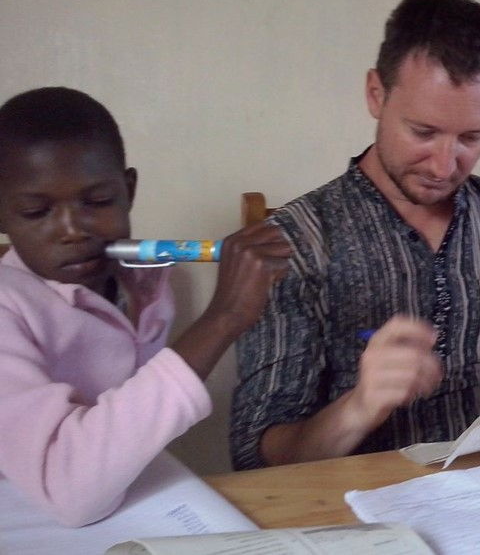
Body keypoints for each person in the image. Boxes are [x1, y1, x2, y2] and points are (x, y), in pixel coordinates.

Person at [230, 0, 480, 469]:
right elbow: (257, 457)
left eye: (471, 138)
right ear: (376, 94)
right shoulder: (290, 243)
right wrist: (359, 406)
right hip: (357, 500)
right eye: (423, 132)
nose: (443, 165)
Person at [0, 87, 291, 526]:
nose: (72, 230)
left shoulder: (142, 282)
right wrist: (222, 318)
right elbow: (71, 493)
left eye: (98, 202)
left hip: (132, 504)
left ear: (129, 190)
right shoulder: (8, 310)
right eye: (36, 212)